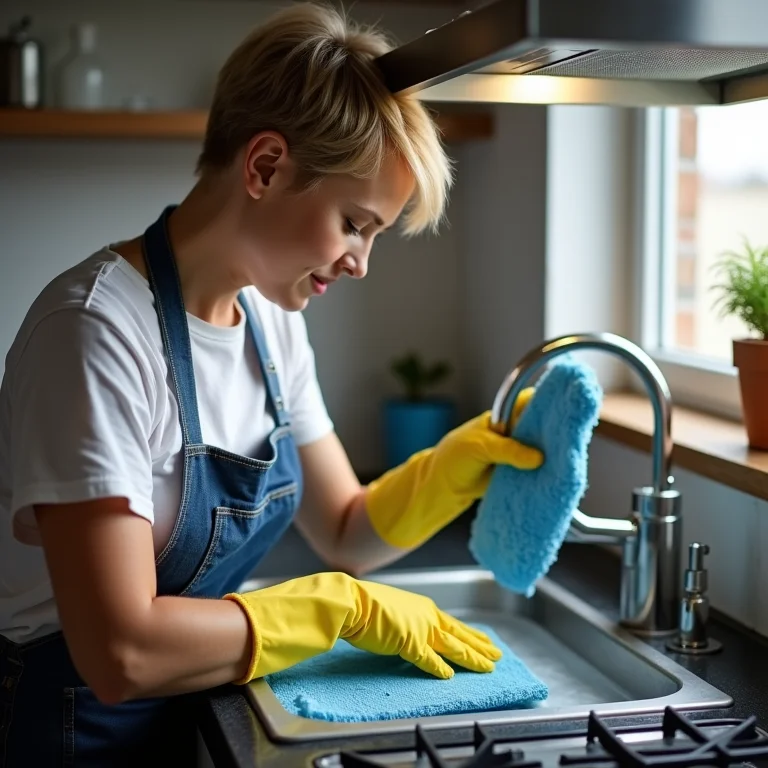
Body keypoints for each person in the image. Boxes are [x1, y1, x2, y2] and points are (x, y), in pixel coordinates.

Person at [0, 3, 543, 765]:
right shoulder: (95, 335)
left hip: (188, 706)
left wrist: (464, 464)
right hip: (71, 729)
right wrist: (336, 609)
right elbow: (118, 651)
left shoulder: (270, 317)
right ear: (263, 166)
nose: (360, 262)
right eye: (355, 223)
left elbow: (346, 527)